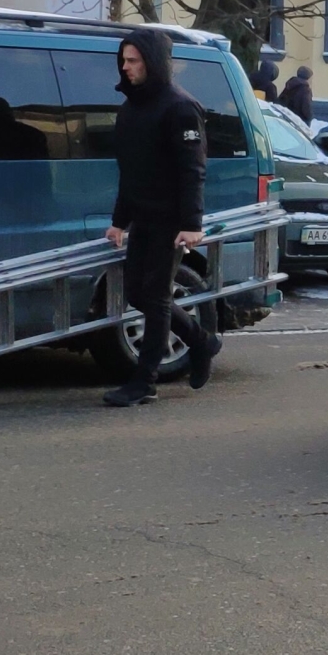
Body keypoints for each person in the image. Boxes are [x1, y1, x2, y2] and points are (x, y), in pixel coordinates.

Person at [101, 31, 221, 407]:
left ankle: (145, 382)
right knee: (139, 294)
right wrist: (119, 221)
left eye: (134, 60)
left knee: (154, 295)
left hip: (171, 221)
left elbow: (192, 170)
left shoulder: (181, 108)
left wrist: (192, 224)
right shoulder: (131, 108)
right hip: (143, 219)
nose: (126, 66)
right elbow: (130, 171)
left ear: (153, 62)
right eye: (124, 60)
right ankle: (202, 341)